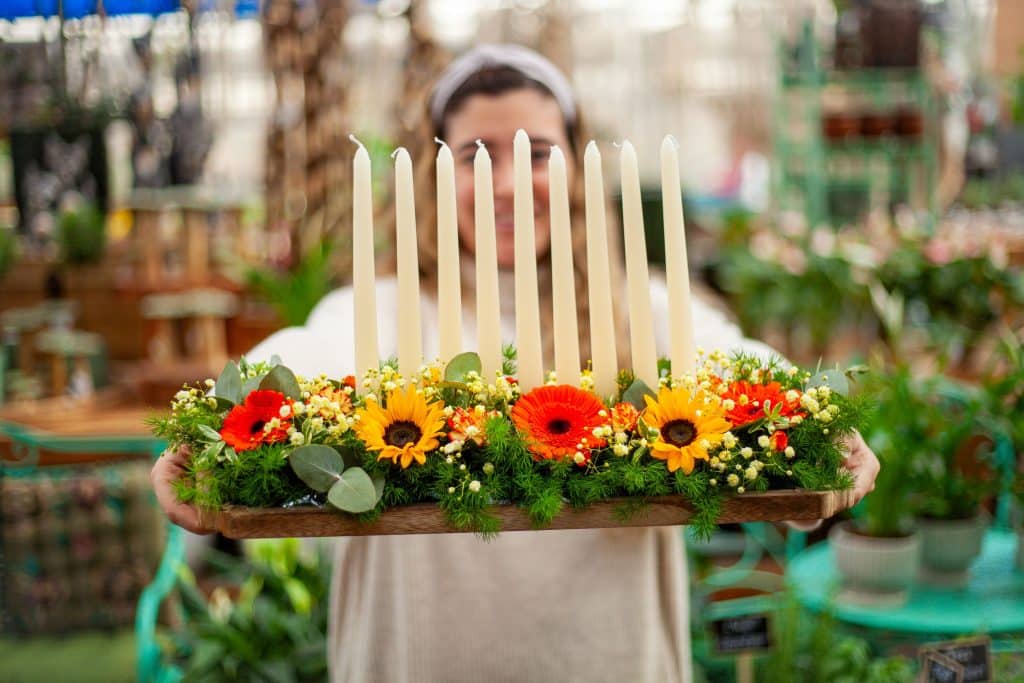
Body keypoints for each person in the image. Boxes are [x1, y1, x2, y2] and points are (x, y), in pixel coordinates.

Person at [152, 44, 880, 683]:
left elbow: (733, 358)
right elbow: (297, 356)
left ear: (578, 166)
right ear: (431, 174)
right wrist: (211, 427)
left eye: (537, 152)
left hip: (607, 658)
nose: (506, 182)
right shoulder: (376, 312)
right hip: (419, 659)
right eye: (474, 156)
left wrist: (814, 423)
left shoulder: (645, 308)